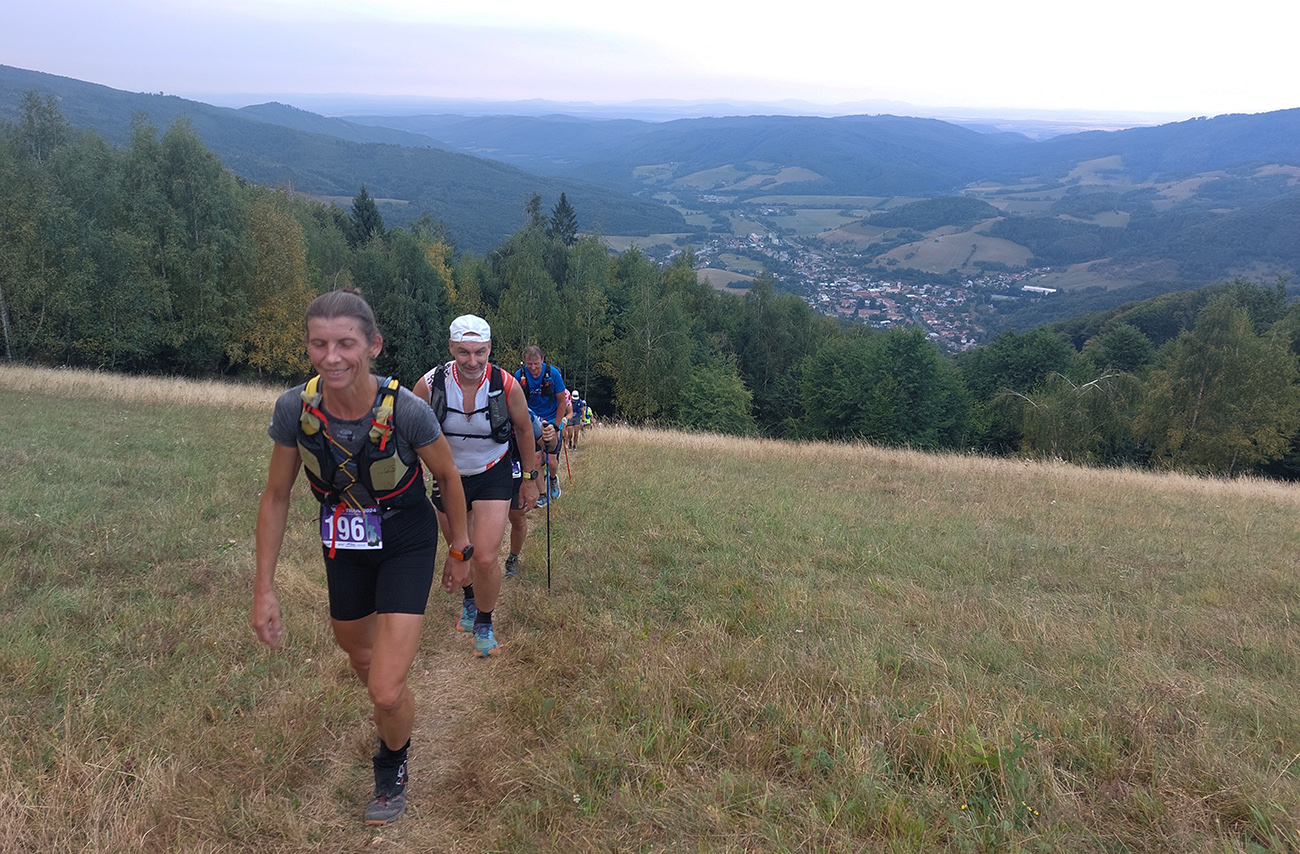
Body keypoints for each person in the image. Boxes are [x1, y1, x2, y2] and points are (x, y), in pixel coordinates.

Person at [251, 288, 472, 827]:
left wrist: (459, 550)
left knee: (385, 689)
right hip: (343, 547)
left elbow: (448, 477)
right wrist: (264, 588)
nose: (332, 357)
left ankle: (391, 765)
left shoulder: (407, 412)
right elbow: (276, 496)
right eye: (319, 344)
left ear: (373, 345)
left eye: (345, 343)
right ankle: (391, 710)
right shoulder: (295, 409)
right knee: (363, 660)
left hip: (405, 541)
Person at [414, 315, 541, 657]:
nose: (472, 361)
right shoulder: (430, 384)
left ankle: (484, 622)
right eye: (464, 352)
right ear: (450, 348)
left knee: (484, 557)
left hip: (492, 473)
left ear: (489, 349)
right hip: (448, 477)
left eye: (480, 352)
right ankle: (470, 599)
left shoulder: (505, 385)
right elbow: (408, 431)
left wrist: (530, 480)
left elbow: (524, 430)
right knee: (461, 549)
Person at [505, 410, 561, 579]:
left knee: (517, 517)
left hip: (514, 467)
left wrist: (550, 437)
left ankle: (513, 557)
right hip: (485, 472)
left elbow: (547, 445)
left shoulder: (523, 411)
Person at [516, 346, 569, 502]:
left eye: (536, 364)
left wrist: (557, 426)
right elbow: (516, 402)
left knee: (551, 461)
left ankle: (553, 479)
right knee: (536, 460)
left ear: (542, 360)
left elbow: (562, 402)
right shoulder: (519, 375)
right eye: (529, 364)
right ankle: (542, 494)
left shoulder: (553, 374)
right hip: (531, 419)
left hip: (551, 418)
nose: (533, 368)